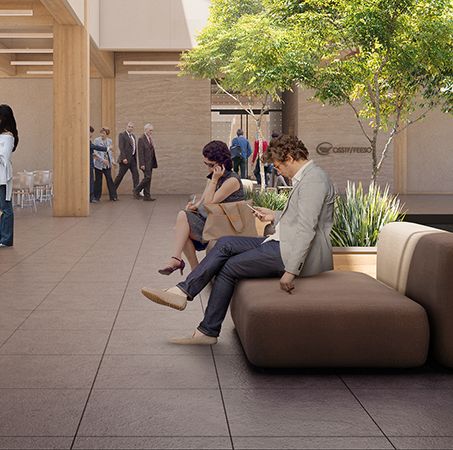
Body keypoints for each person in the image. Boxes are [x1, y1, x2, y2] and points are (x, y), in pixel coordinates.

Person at [139, 133, 334, 346]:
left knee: (229, 267)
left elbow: (307, 230)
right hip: (282, 241)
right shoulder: (306, 178)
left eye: (277, 166)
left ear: (289, 158)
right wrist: (274, 215)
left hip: (289, 251)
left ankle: (206, 328)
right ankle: (184, 291)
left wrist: (291, 271)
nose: (277, 171)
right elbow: (302, 217)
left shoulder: (313, 180)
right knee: (225, 243)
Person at [157, 141, 245, 275]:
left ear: (222, 163)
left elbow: (209, 204)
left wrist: (214, 180)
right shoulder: (213, 176)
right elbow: (203, 201)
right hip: (213, 221)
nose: (208, 168)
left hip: (227, 225)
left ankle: (187, 265)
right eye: (206, 164)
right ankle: (188, 265)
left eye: (211, 165)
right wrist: (194, 207)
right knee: (181, 226)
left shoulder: (231, 181)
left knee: (181, 226)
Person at [0, 106, 18, 248]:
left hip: (4, 176)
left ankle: (6, 239)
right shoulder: (0, 135)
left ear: (3, 117)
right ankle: (2, 237)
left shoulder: (8, 136)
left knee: (6, 209)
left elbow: (4, 159)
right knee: (3, 209)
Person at [113, 122, 141, 202]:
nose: (130, 128)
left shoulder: (133, 136)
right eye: (129, 126)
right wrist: (124, 157)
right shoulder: (122, 135)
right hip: (125, 160)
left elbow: (134, 148)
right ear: (126, 127)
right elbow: (121, 147)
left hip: (132, 160)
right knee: (120, 176)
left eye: (132, 127)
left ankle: (136, 192)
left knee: (136, 175)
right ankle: (112, 191)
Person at [89, 126, 112, 202]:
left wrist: (112, 161)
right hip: (99, 164)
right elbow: (96, 148)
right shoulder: (95, 140)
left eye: (104, 133)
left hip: (107, 164)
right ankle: (94, 197)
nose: (102, 134)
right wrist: (102, 159)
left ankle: (113, 196)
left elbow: (110, 154)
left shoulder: (109, 141)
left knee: (109, 179)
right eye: (101, 133)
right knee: (97, 181)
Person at [137, 124, 159, 200]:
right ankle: (137, 189)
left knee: (149, 179)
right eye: (150, 130)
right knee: (147, 177)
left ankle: (147, 196)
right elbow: (140, 153)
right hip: (145, 163)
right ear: (145, 129)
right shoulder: (141, 139)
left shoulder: (148, 138)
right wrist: (142, 164)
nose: (151, 132)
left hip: (150, 162)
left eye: (152, 130)